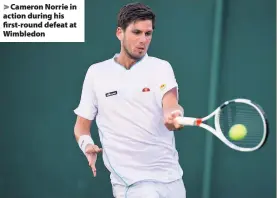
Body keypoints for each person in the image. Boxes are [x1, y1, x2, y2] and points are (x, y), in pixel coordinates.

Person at [74, 2, 186, 198]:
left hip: (172, 180)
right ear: (120, 32)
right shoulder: (97, 73)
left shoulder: (161, 68)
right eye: (136, 32)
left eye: (148, 33)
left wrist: (174, 116)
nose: (143, 39)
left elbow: (171, 105)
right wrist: (86, 144)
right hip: (132, 184)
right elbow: (81, 127)